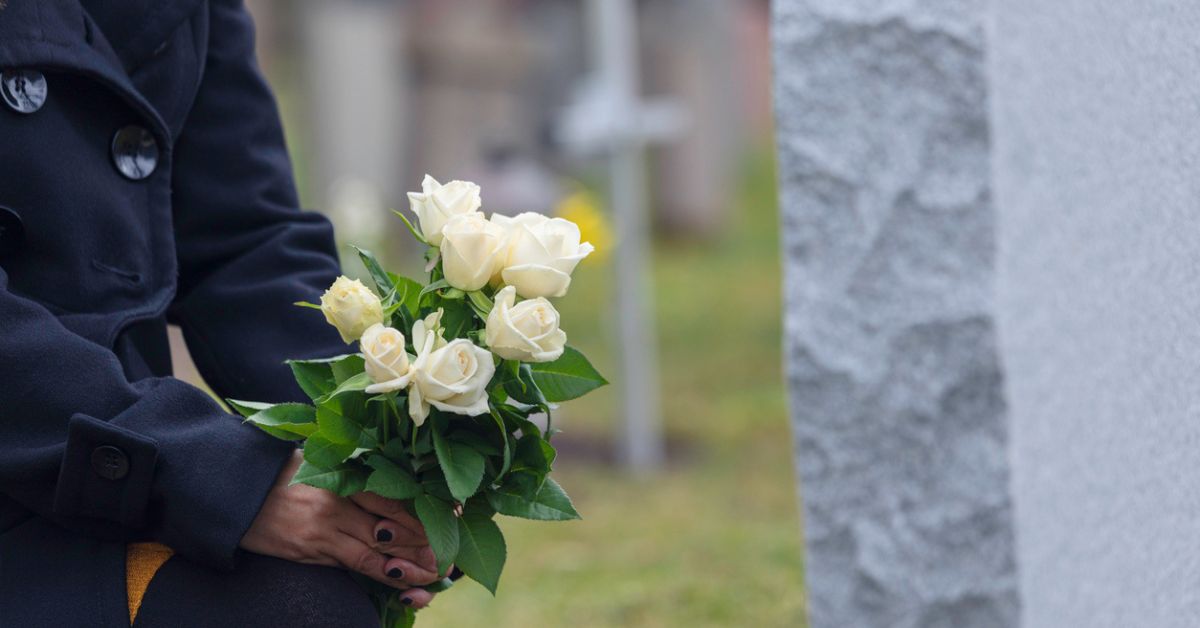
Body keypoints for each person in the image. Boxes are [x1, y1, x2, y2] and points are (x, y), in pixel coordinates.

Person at [0, 0, 438, 625]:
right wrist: (229, 485)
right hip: (43, 449)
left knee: (314, 603)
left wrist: (382, 436)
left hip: (97, 470)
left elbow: (243, 238)